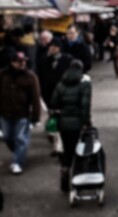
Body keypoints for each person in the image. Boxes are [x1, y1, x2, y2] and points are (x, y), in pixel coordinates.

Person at [50, 60, 91, 192]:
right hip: (78, 123)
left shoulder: (61, 84)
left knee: (67, 149)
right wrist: (86, 122)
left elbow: (54, 103)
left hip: (63, 123)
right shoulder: (84, 84)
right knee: (79, 149)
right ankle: (78, 175)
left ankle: (65, 170)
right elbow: (85, 105)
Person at [0, 51, 41, 174]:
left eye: (24, 61)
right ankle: (19, 153)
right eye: (19, 61)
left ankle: (17, 162)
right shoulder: (3, 75)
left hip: (22, 114)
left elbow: (35, 97)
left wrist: (35, 116)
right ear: (12, 62)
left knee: (20, 138)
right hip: (5, 112)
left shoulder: (30, 77)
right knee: (7, 136)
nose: (23, 63)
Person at [37, 38, 72, 108]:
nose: (52, 48)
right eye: (51, 46)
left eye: (55, 47)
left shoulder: (68, 60)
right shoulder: (44, 60)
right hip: (49, 93)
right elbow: (40, 76)